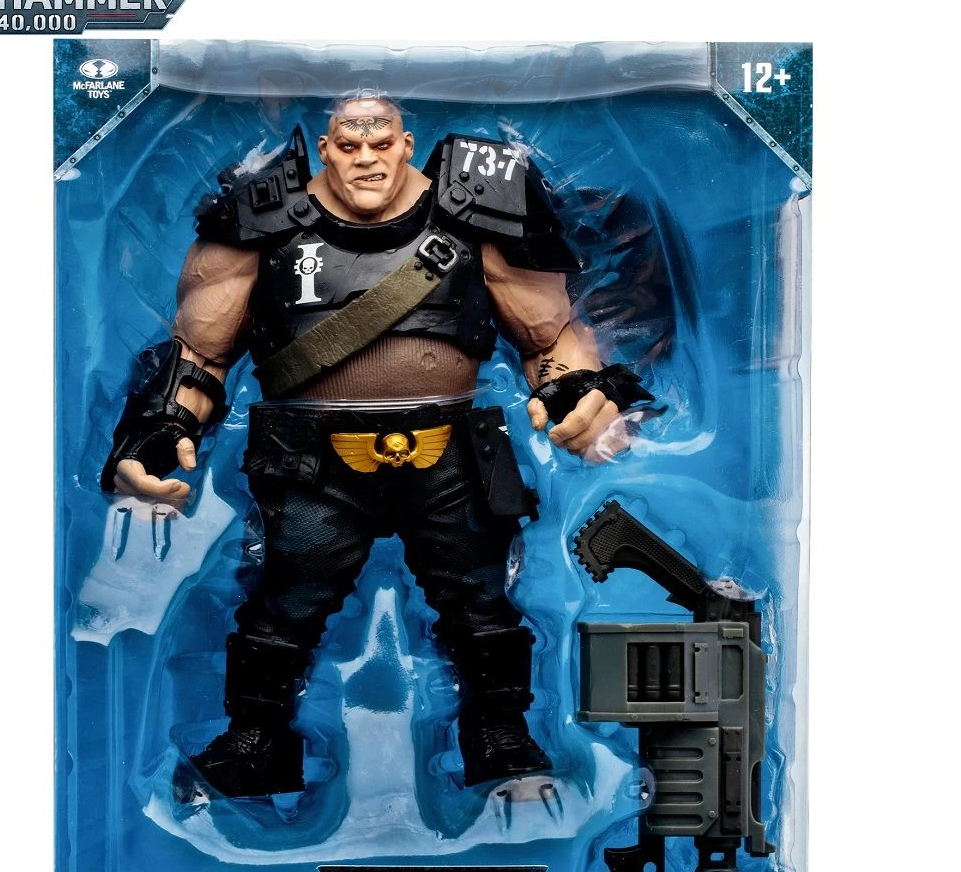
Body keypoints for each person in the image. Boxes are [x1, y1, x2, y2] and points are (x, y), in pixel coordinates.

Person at [102, 93, 652, 799]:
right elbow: (199, 355)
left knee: (481, 606)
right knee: (281, 608)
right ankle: (255, 743)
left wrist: (582, 398)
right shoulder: (259, 217)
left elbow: (549, 338)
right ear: (325, 147)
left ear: (407, 143)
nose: (367, 159)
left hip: (449, 452)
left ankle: (502, 738)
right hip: (312, 456)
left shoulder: (479, 208)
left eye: (381, 144)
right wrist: (158, 435)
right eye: (350, 145)